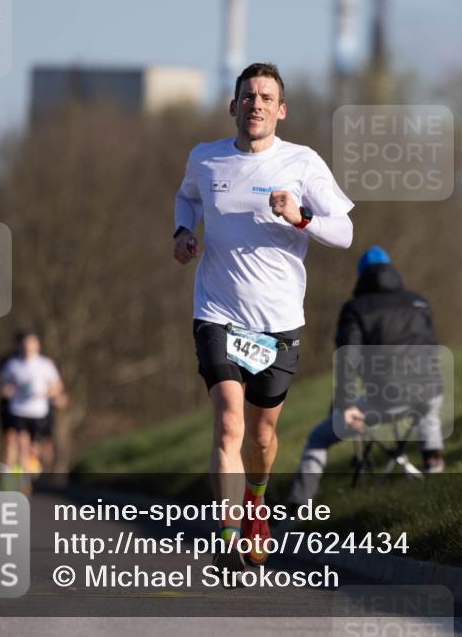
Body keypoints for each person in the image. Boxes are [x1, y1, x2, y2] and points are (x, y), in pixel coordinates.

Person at [172, 62, 354, 577]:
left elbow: (344, 232)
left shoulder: (302, 162)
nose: (256, 104)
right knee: (228, 421)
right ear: (233, 106)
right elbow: (185, 198)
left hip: (276, 322)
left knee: (261, 435)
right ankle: (228, 533)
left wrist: (301, 216)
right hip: (215, 312)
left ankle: (255, 501)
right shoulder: (205, 159)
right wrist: (182, 233)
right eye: (247, 95)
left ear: (281, 110)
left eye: (266, 97)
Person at [287, 246, 446, 508]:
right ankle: (432, 460)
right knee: (427, 404)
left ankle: (295, 509)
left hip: (385, 399)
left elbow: (347, 358)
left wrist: (347, 403)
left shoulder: (356, 309)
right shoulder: (419, 302)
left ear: (361, 276)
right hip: (431, 391)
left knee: (318, 438)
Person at [0, 330, 65, 476]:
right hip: (18, 409)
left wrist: (46, 393)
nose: (28, 346)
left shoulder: (45, 364)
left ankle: (31, 462)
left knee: (34, 447)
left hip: (39, 411)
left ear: (38, 345)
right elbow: (3, 384)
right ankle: (19, 475)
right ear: (20, 345)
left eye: (31, 343)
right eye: (26, 343)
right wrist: (7, 390)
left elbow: (57, 385)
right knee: (21, 440)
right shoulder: (12, 364)